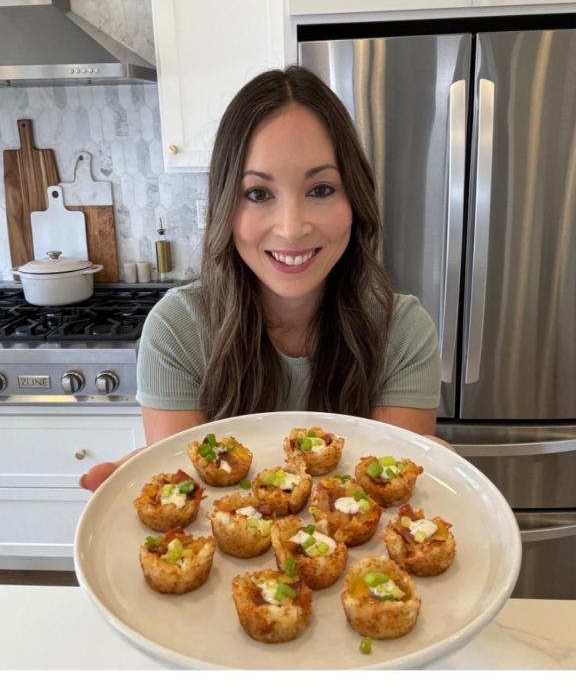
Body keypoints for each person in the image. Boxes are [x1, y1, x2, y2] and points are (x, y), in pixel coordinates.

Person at [80, 65, 445, 492]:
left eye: (321, 189)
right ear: (225, 210)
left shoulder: (402, 332)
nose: (292, 228)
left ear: (356, 199)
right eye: (258, 194)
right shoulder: (176, 331)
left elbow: (386, 503)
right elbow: (191, 505)